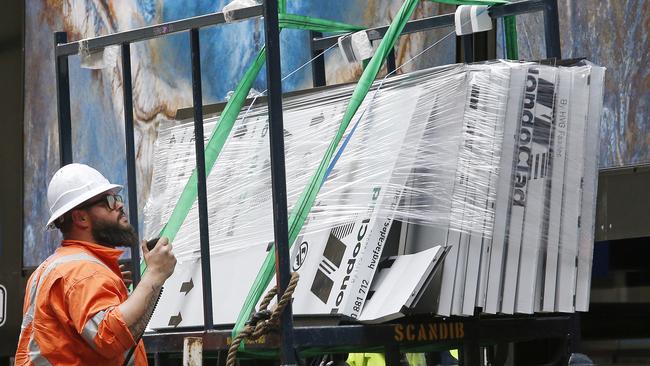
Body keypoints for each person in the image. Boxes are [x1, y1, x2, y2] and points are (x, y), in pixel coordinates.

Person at [15, 163, 177, 365]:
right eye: (108, 201)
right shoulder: (82, 271)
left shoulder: (55, 267)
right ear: (80, 217)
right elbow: (109, 337)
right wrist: (154, 274)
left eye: (117, 198)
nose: (119, 205)